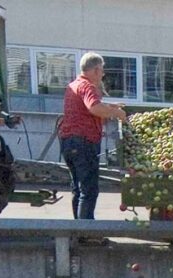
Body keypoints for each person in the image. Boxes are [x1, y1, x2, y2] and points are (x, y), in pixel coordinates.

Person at [60, 52, 128, 223]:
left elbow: (88, 107)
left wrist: (110, 106)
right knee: (89, 189)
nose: (103, 75)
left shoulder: (75, 85)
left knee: (78, 188)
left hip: (68, 142)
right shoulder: (87, 86)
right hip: (83, 142)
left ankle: (79, 228)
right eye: (102, 71)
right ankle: (86, 232)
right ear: (96, 70)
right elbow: (94, 108)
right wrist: (116, 113)